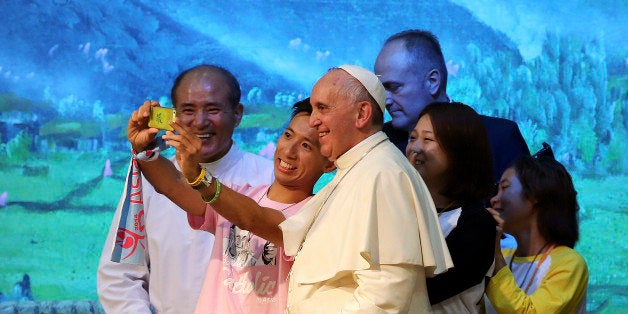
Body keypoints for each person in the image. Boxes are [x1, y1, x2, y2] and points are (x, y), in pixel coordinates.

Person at [125, 98, 335, 313]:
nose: (289, 151)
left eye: (306, 145)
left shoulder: (316, 218)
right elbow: (173, 184)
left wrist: (197, 175)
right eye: (288, 135)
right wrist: (144, 149)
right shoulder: (239, 195)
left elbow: (253, 218)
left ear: (329, 162)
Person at [97, 64, 274, 314]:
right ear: (172, 117)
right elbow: (120, 273)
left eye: (213, 109)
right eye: (188, 110)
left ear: (237, 113)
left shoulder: (268, 178)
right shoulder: (150, 176)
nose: (200, 122)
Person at [275, 65, 452, 312]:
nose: (313, 121)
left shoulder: (383, 174)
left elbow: (387, 295)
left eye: (322, 108)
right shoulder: (358, 169)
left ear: (362, 114)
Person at [374, 29, 530, 181]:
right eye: (382, 89)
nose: (386, 100)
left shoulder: (498, 137)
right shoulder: (378, 144)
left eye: (394, 87)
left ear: (432, 81)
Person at [406, 101, 496, 312]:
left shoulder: (477, 223)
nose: (415, 147)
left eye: (428, 139)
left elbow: (424, 290)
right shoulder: (405, 207)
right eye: (412, 137)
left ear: (460, 152)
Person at [485, 155, 589, 313]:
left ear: (536, 195)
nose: (494, 199)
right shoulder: (502, 255)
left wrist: (493, 257)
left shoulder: (569, 263)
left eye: (504, 188)